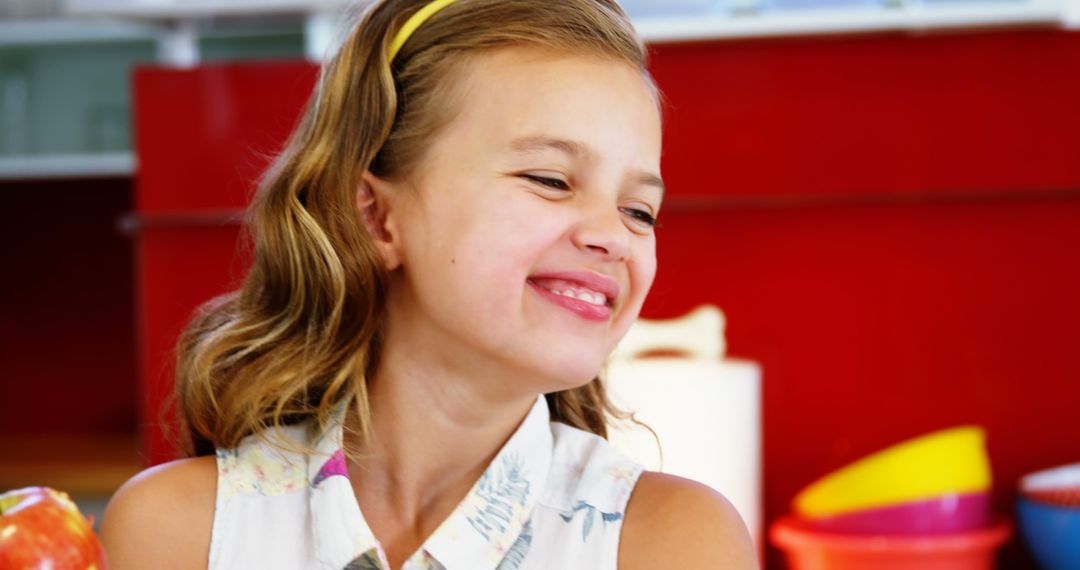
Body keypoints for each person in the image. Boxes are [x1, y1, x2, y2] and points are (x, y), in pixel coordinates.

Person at [100, 0, 757, 568]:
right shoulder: (174, 532)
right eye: (550, 180)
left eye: (639, 210)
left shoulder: (675, 545)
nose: (612, 235)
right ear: (378, 218)